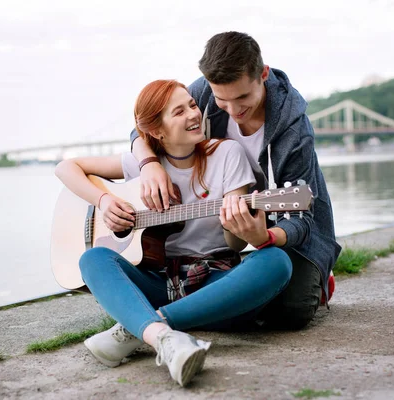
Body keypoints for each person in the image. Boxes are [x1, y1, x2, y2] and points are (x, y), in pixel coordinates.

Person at [55, 79, 292, 386]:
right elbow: (65, 168)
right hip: (158, 281)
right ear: (157, 131)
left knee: (276, 262)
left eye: (192, 105)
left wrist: (238, 225)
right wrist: (104, 200)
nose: (194, 115)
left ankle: (142, 327)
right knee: (93, 259)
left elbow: (235, 244)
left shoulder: (227, 154)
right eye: (179, 112)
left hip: (214, 287)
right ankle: (165, 338)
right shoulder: (140, 165)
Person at [131, 32, 342, 330]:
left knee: (291, 313)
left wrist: (265, 238)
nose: (233, 110)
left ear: (263, 74)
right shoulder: (203, 92)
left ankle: (318, 277)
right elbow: (143, 128)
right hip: (226, 234)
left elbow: (302, 221)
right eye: (222, 100)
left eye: (243, 97)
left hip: (287, 226)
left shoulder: (295, 129)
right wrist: (149, 163)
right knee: (247, 307)